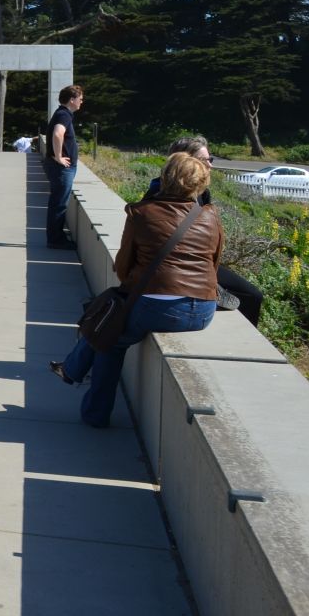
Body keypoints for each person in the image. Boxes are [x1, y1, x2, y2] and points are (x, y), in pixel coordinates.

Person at [50, 152, 221, 428]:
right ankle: (70, 369)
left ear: (164, 178)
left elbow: (122, 268)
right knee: (111, 329)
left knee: (109, 339)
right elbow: (213, 265)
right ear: (199, 184)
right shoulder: (210, 216)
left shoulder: (142, 213)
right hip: (203, 309)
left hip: (158, 309)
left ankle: (94, 411)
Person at [144, 135, 264, 327]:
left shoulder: (202, 194)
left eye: (210, 160)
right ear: (185, 162)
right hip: (176, 270)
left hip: (197, 264)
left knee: (252, 296)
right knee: (249, 296)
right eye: (204, 160)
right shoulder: (158, 194)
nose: (210, 165)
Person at [43, 85, 85, 249]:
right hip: (61, 168)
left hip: (60, 167)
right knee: (59, 203)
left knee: (57, 202)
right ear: (72, 99)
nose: (82, 101)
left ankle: (55, 236)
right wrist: (59, 156)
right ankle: (55, 239)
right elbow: (57, 133)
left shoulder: (62, 113)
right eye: (80, 98)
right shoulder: (64, 114)